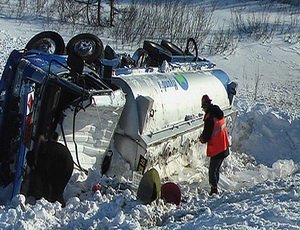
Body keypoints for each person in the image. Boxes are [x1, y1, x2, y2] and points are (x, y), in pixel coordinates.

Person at [199, 95, 230, 196]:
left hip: (217, 148)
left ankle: (214, 191)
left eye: (203, 107)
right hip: (224, 146)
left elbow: (206, 135)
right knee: (216, 169)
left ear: (205, 106)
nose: (203, 110)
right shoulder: (218, 113)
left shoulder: (210, 118)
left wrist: (201, 139)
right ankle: (215, 188)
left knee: (212, 170)